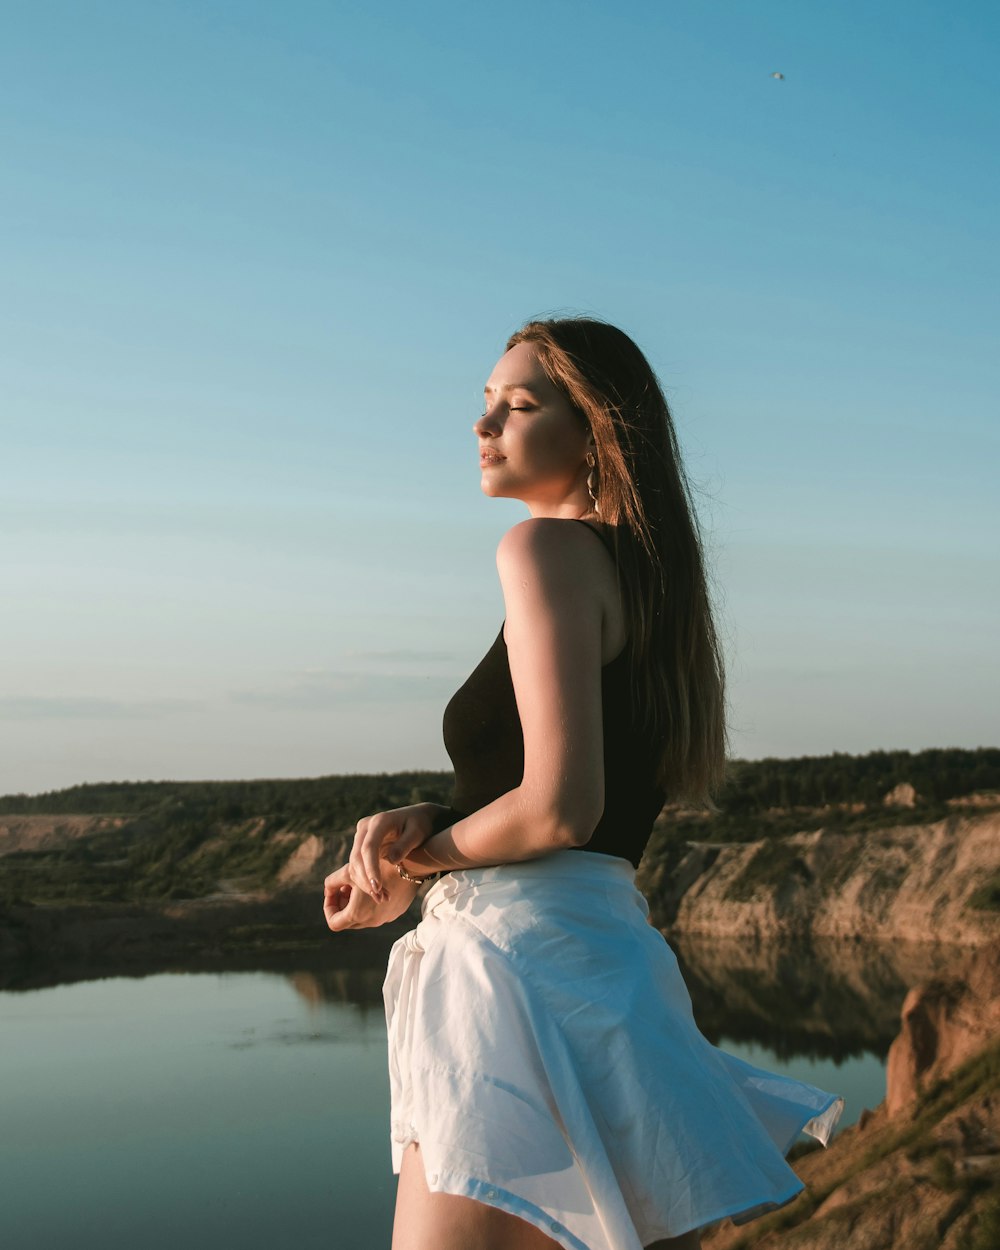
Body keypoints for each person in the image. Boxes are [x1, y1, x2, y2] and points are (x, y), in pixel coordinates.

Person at [323, 318, 843, 1250]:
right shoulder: (647, 585)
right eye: (484, 405)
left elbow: (562, 805)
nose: (485, 427)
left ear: (597, 430)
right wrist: (434, 819)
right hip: (608, 967)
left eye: (518, 406)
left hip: (513, 974)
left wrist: (426, 862)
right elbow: (569, 798)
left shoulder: (542, 551)